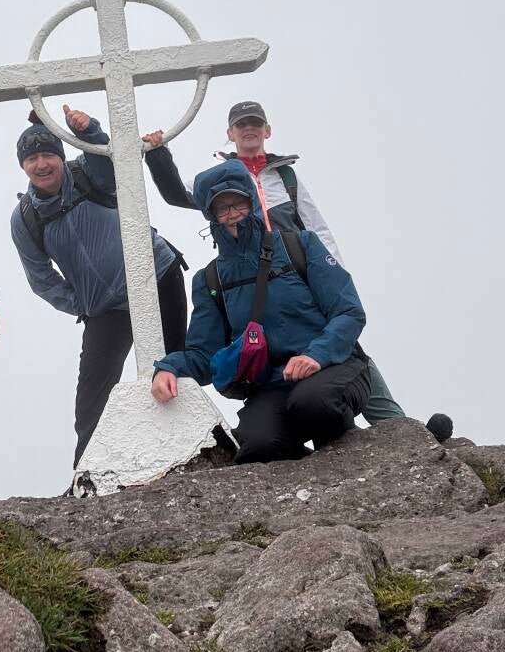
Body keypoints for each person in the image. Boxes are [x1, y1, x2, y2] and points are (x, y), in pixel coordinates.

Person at [143, 100, 452, 441]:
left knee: (342, 350)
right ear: (230, 133)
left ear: (267, 130)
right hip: (249, 281)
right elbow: (177, 194)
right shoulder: (222, 180)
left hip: (299, 273)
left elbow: (315, 225)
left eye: (255, 123)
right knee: (297, 377)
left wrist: (333, 275)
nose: (249, 129)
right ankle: (311, 432)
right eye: (242, 124)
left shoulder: (285, 176)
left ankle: (405, 434)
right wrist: (157, 154)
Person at [151, 160, 371, 462]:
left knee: (312, 403)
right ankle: (310, 472)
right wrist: (168, 368)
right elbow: (203, 355)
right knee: (257, 447)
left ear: (252, 202)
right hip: (271, 385)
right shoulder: (210, 280)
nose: (232, 214)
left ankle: (348, 458)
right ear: (211, 216)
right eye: (221, 208)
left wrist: (316, 355)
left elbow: (349, 311)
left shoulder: (299, 245)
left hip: (333, 366)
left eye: (238, 203)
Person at [10, 105, 187, 467]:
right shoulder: (25, 218)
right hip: (106, 310)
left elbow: (111, 162)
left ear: (61, 156)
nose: (41, 164)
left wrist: (88, 130)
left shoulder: (88, 173)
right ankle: (89, 475)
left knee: (175, 369)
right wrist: (82, 303)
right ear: (23, 166)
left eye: (48, 155)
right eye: (32, 159)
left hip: (158, 277)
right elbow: (41, 279)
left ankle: (187, 455)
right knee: (92, 402)